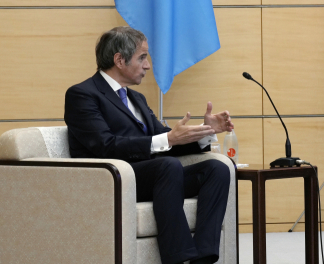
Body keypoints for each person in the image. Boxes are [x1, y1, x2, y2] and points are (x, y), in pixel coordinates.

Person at [65, 26, 233, 264]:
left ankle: (204, 257)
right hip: (110, 179)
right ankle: (178, 258)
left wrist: (203, 133)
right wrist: (167, 139)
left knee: (217, 169)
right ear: (119, 60)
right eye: (142, 57)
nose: (148, 65)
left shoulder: (137, 98)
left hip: (155, 176)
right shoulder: (83, 94)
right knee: (167, 166)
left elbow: (165, 139)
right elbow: (105, 145)